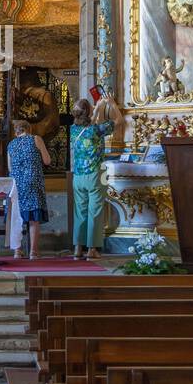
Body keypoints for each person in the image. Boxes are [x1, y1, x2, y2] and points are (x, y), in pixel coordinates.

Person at [69, 93, 121, 260]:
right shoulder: (96, 130)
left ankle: (78, 248)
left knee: (80, 212)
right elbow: (119, 121)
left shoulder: (73, 129)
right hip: (96, 173)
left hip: (78, 176)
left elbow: (89, 122)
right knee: (95, 212)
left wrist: (97, 108)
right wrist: (112, 104)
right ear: (88, 112)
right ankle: (92, 249)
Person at [7, 119, 51, 259]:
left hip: (16, 185)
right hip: (33, 181)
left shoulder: (11, 144)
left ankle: (17, 251)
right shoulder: (36, 139)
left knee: (17, 216)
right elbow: (47, 161)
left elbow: (10, 168)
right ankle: (33, 252)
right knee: (33, 218)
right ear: (29, 129)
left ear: (16, 132)